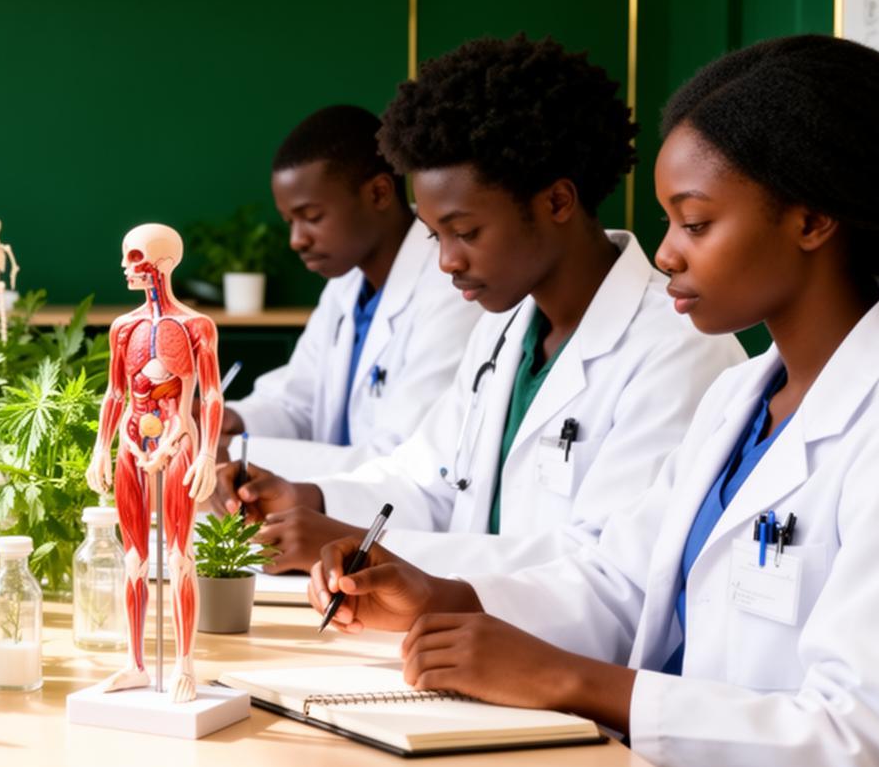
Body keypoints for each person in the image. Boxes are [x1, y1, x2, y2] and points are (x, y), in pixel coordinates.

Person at [308, 35, 879, 767]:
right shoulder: (742, 403)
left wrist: (575, 681)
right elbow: (621, 587)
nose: (666, 253)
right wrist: (444, 599)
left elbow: (870, 748)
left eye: (696, 224)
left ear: (811, 221)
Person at [224, 35, 742, 576]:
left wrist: (365, 545)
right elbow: (428, 480)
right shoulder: (505, 330)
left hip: (554, 654)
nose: (447, 261)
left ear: (558, 202)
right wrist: (306, 498)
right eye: (433, 237)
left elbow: (606, 571)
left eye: (465, 231)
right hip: (460, 638)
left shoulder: (680, 348)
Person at [210, 105, 480, 503]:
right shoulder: (347, 283)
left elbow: (398, 458)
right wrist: (231, 421)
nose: (296, 240)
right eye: (290, 222)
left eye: (312, 216)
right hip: (328, 513)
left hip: (391, 522)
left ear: (379, 193)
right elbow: (296, 402)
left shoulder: (455, 289)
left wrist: (237, 454)